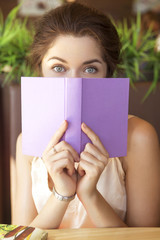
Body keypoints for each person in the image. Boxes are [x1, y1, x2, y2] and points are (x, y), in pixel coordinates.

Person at [13, 2, 160, 229]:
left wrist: (89, 195)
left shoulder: (139, 137)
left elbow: (146, 236)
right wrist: (62, 194)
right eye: (59, 68)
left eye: (90, 69)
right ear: (40, 68)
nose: (74, 83)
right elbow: (18, 236)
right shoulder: (27, 142)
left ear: (107, 74)